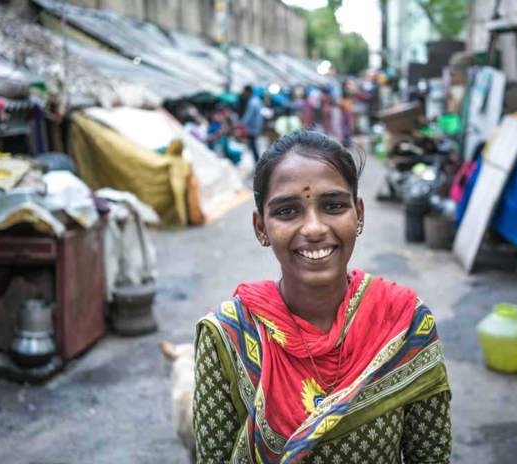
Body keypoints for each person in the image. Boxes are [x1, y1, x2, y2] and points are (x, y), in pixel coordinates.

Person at [193, 131, 451, 463]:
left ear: (358, 214)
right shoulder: (230, 335)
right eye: (287, 211)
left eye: (333, 206)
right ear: (261, 228)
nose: (314, 228)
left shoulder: (404, 323)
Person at [239, 85, 265, 163]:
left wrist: (241, 123)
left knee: (253, 146)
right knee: (254, 146)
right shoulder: (257, 100)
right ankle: (258, 162)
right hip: (257, 126)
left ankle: (257, 163)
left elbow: (248, 115)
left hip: (253, 128)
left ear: (248, 92)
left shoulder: (252, 102)